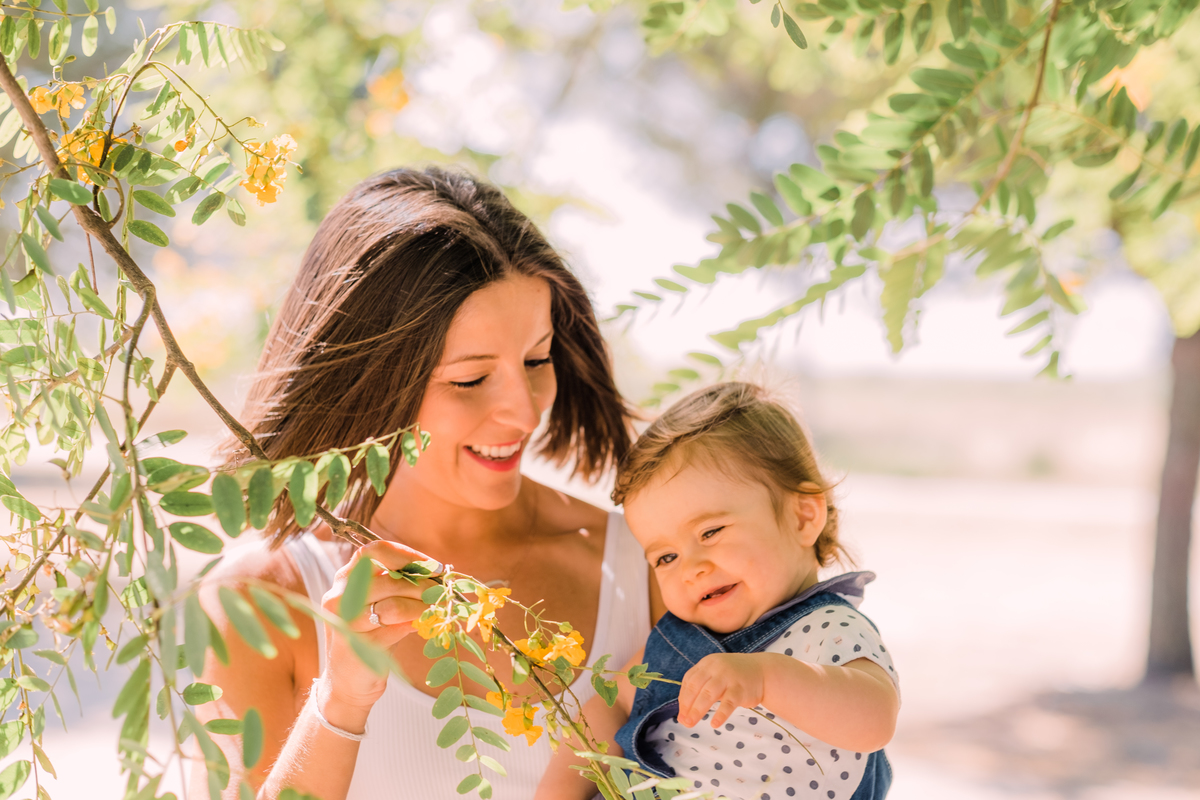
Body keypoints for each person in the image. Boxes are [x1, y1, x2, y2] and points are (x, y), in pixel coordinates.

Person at [189, 167, 660, 800]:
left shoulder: (651, 566)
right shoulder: (258, 603)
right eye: (470, 380)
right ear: (373, 380)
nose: (524, 413)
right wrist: (339, 705)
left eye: (536, 360)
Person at [535, 382, 900, 800]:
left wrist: (765, 679)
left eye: (710, 531)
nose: (691, 568)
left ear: (803, 516)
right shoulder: (678, 643)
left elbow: (875, 720)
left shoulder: (829, 628)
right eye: (666, 558)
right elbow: (612, 704)